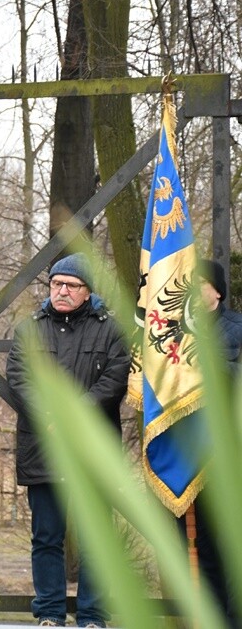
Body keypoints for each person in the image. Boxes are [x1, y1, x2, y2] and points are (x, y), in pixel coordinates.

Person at [5, 253, 130, 628]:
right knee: (46, 537)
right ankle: (49, 614)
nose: (61, 291)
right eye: (56, 284)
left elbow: (115, 377)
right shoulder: (29, 328)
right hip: (44, 448)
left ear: (88, 292)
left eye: (70, 286)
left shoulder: (111, 330)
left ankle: (92, 616)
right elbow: (19, 379)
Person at [183, 259, 242, 627]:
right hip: (193, 454)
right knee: (202, 544)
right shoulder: (174, 333)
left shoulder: (237, 328)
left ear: (217, 290)